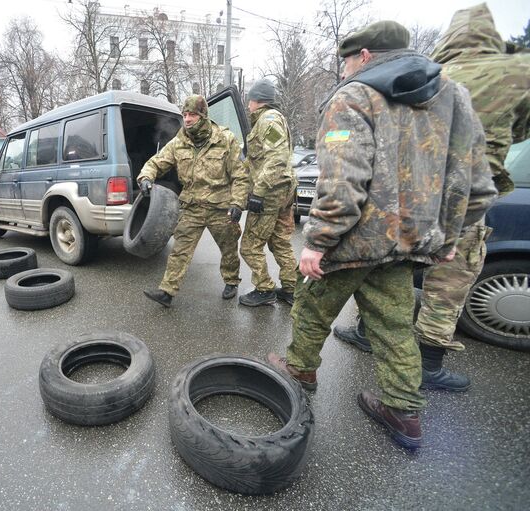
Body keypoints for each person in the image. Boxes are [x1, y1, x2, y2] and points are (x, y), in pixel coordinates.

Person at [266, 20, 496, 450]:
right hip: (408, 241)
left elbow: (342, 179)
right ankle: (404, 411)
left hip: (352, 241)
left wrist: (318, 241)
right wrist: (451, 238)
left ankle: (299, 369)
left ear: (366, 56)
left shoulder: (354, 95)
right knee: (393, 326)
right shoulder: (455, 96)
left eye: (346, 60)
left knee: (312, 305)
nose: (342, 70)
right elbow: (477, 180)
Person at [333, 3, 530, 392]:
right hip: (462, 197)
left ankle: (367, 332)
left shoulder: (423, 76)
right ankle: (427, 365)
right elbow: (522, 130)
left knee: (388, 266)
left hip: (409, 194)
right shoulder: (518, 74)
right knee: (448, 281)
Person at [138, 95, 248, 307]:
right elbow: (157, 162)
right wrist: (145, 177)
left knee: (228, 248)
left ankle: (231, 281)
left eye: (192, 115)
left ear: (203, 116)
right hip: (192, 207)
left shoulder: (225, 139)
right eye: (185, 115)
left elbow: (240, 175)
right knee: (180, 249)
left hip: (221, 207)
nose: (187, 119)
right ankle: (167, 291)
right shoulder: (179, 142)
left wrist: (237, 203)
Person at [238, 78, 299, 307]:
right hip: (282, 191)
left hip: (271, 192)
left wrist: (258, 192)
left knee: (250, 245)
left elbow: (277, 157)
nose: (248, 106)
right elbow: (259, 159)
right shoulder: (271, 119)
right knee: (280, 242)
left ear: (257, 100)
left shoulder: (268, 120)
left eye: (250, 101)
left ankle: (265, 289)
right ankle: (292, 289)